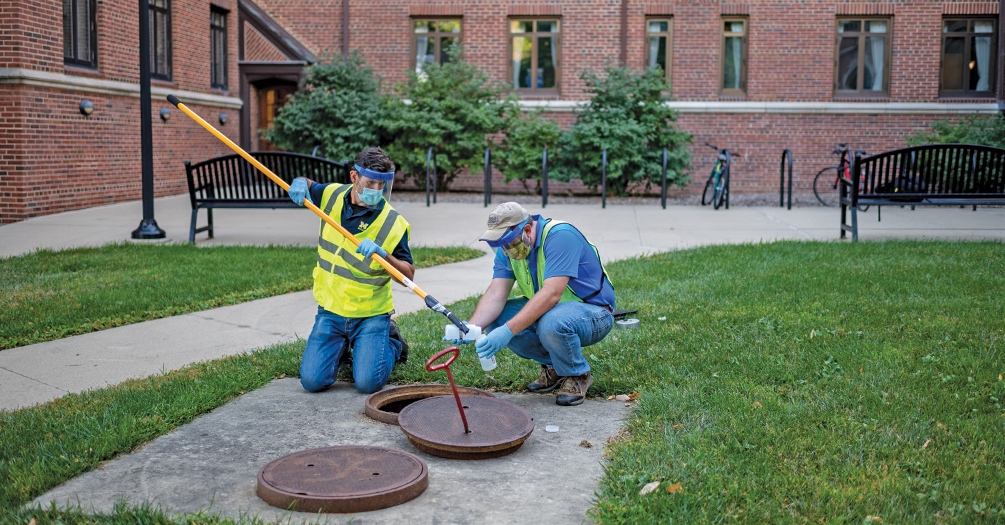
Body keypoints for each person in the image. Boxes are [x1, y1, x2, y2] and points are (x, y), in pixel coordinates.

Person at [456, 202, 616, 406]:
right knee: (496, 319)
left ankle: (577, 374)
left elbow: (551, 294)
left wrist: (508, 331)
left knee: (551, 322)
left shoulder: (560, 236)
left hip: (594, 312)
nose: (506, 250)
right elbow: (496, 293)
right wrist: (471, 327)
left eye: (509, 243)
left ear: (528, 230)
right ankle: (556, 366)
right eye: (501, 245)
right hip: (553, 312)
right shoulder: (509, 250)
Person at [286, 146, 413, 394]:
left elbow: (408, 275)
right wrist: (299, 182)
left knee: (367, 383)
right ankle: (344, 345)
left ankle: (393, 343)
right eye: (371, 183)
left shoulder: (393, 222)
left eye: (382, 185)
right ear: (354, 177)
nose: (376, 191)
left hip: (371, 315)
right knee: (312, 382)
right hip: (331, 310)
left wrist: (384, 254)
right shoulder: (331, 196)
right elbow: (309, 184)